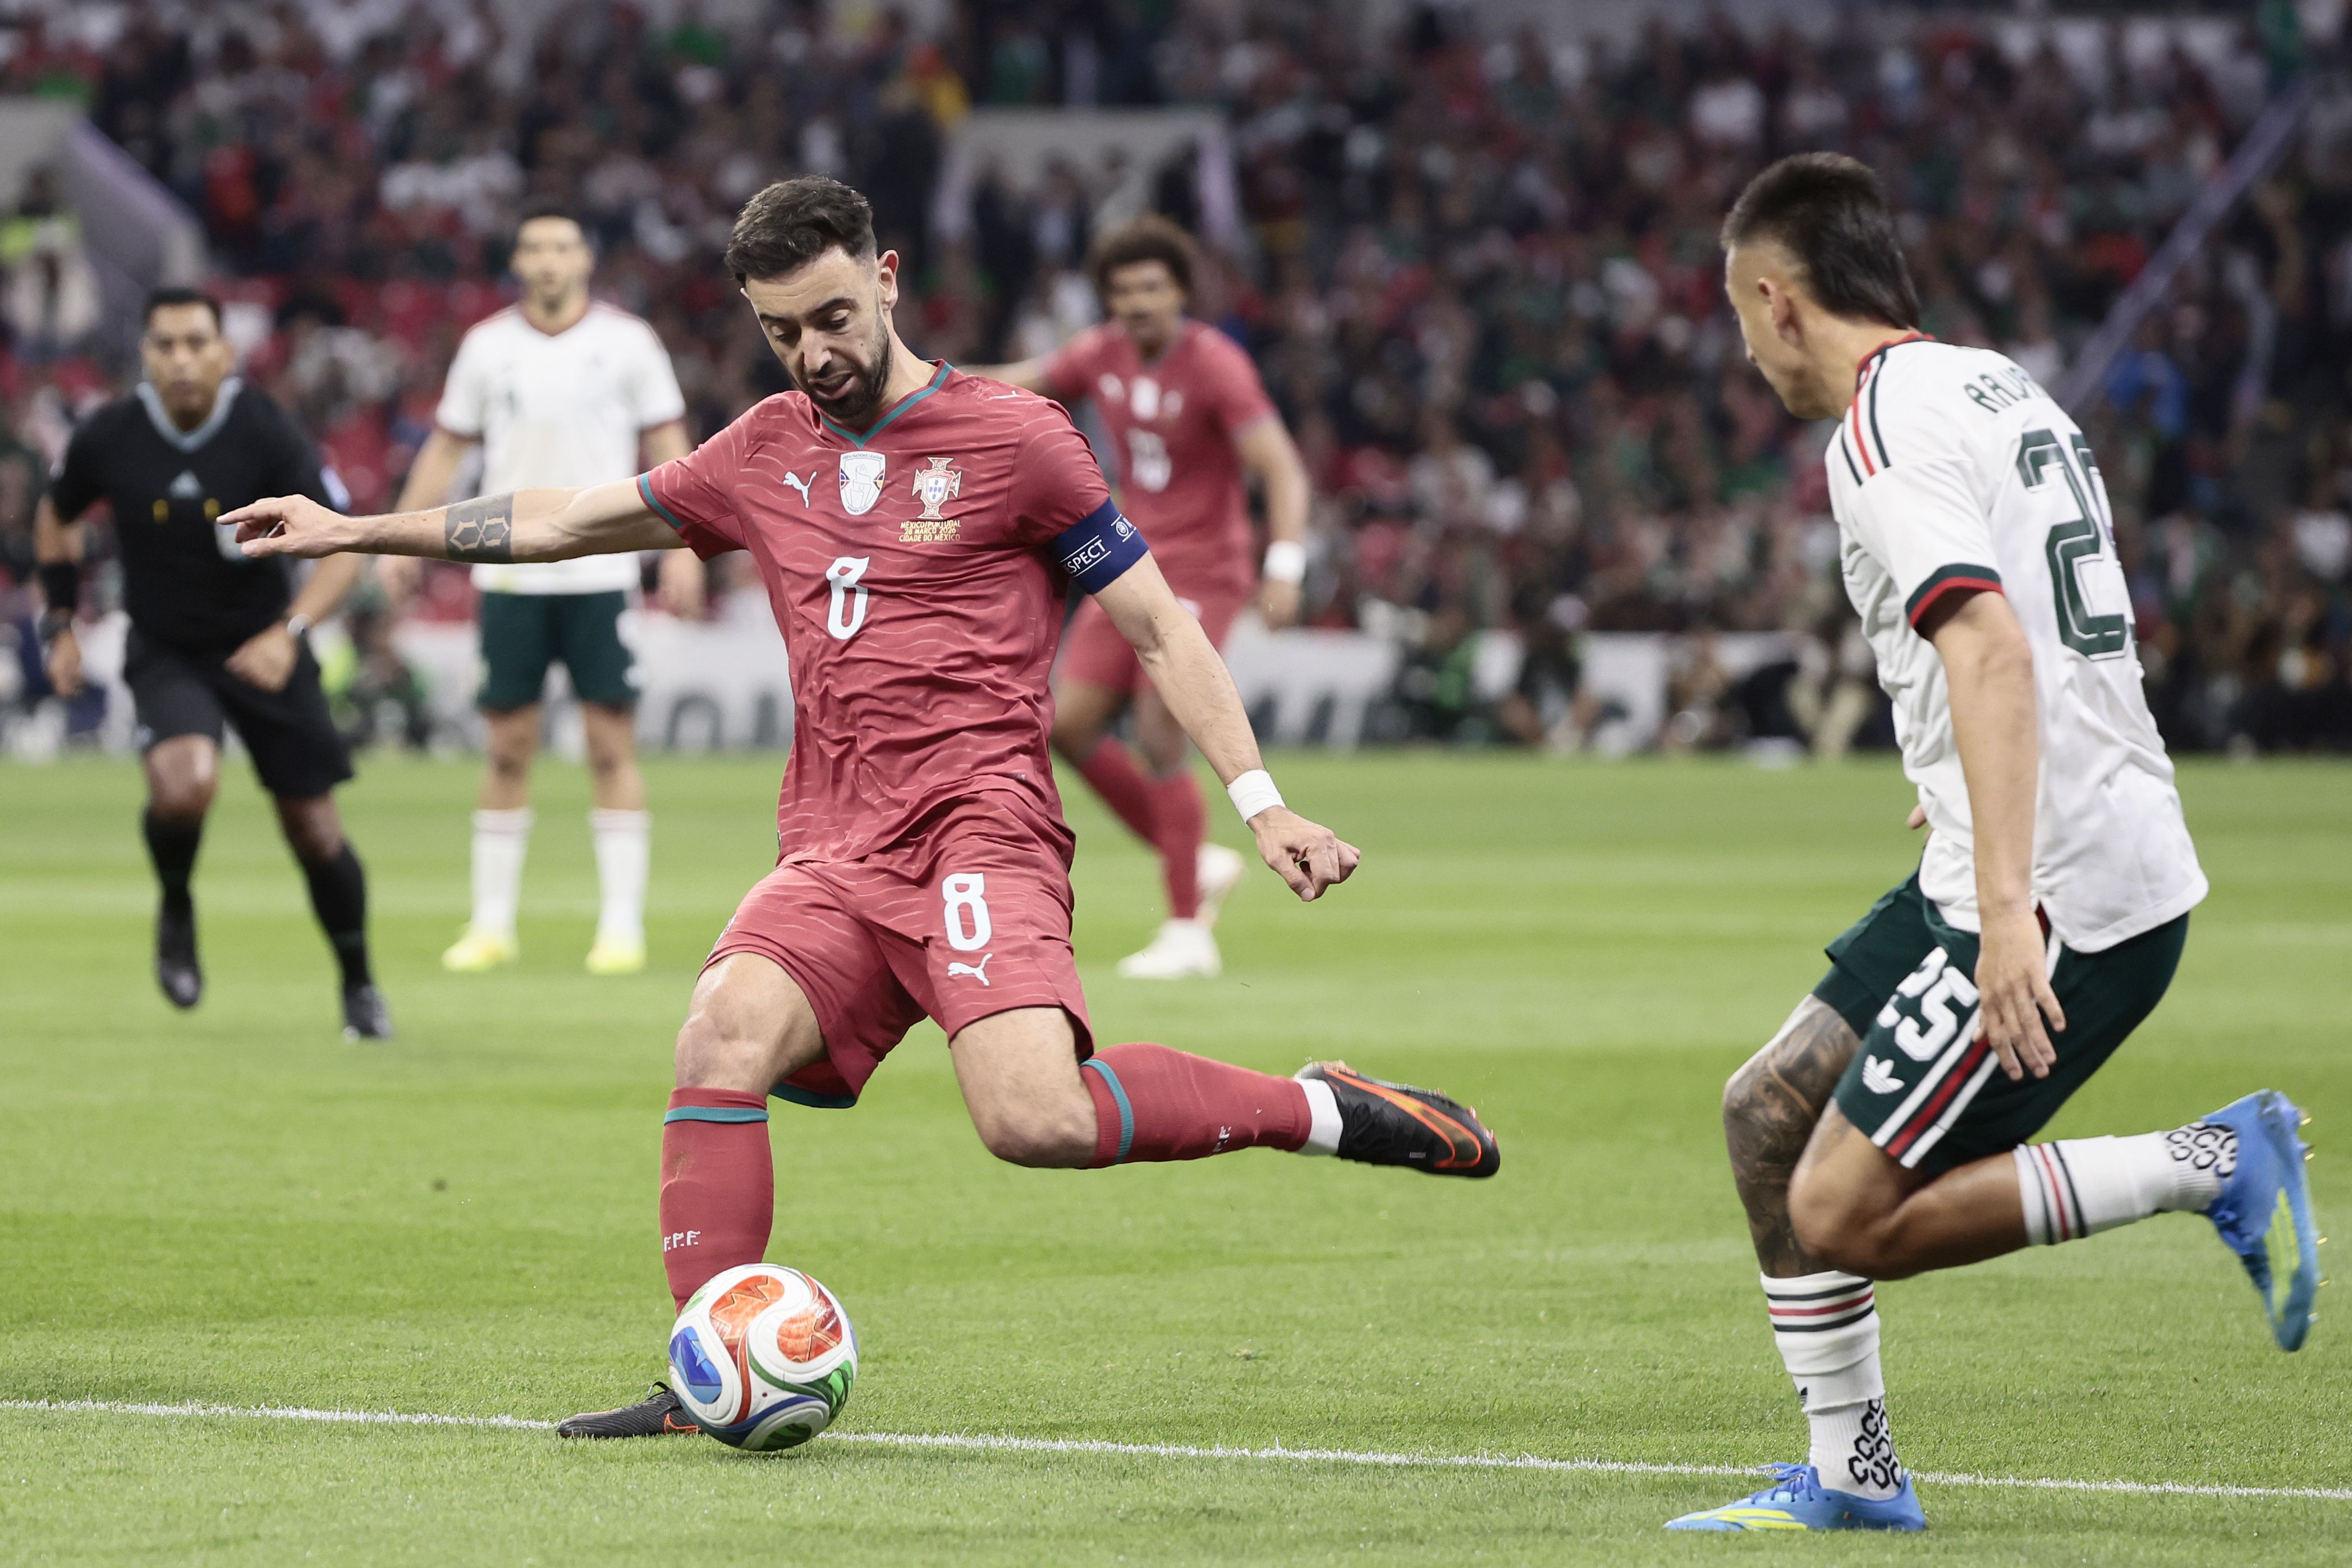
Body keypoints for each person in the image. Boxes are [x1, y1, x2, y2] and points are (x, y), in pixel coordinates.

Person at [225, 176, 1501, 1441]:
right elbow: (567, 518)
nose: (814, 352)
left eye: (833, 316)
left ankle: (1316, 1106)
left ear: (886, 278)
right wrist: (352, 530)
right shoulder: (765, 445)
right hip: (834, 844)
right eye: (783, 330)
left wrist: (1261, 801)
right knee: (717, 1037)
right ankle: (702, 1370)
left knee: (1034, 1119)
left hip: (978, 824)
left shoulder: (1017, 439)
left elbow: (1156, 624)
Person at [1674, 153, 2319, 1534]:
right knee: (1763, 1113)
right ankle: (1851, 1474)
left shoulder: (1872, 431)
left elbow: (1988, 643)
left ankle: (2207, 1159)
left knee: (1841, 1210)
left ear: (1780, 302)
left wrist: (2011, 907)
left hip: (2051, 889)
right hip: (2031, 838)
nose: (1744, 348)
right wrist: (1954, 768)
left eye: (1740, 313)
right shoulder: (1992, 380)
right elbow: (2048, 613)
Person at [35, 287, 390, 1039]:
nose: (182, 358)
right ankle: (176, 904)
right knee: (186, 783)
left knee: (316, 832)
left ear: (226, 353)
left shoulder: (265, 430)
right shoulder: (110, 434)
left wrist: (289, 631)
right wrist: (60, 622)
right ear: (146, 355)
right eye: (165, 344)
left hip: (265, 643)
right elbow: (56, 514)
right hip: (168, 647)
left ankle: (359, 985)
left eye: (197, 342)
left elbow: (344, 542)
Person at [974, 216, 1312, 979]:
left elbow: (1282, 467)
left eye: (1153, 287)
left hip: (1205, 568)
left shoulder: (1217, 364)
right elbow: (1015, 380)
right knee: (1069, 721)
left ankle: (1188, 930)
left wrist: (1286, 563)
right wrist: (913, 378)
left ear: (1182, 293)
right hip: (1128, 561)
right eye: (1123, 290)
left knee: (1164, 721)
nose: (1138, 303)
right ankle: (1191, 858)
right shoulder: (1101, 352)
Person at [388, 199, 700, 978]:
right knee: (506, 747)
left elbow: (671, 446)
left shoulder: (628, 343)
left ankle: (621, 927)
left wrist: (691, 545)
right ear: (519, 263)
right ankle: (492, 924)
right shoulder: (487, 346)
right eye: (537, 248)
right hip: (510, 572)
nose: (551, 260)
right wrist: (402, 531)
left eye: (564, 246)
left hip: (602, 569)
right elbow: (448, 447)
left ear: (585, 259)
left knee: (609, 744)